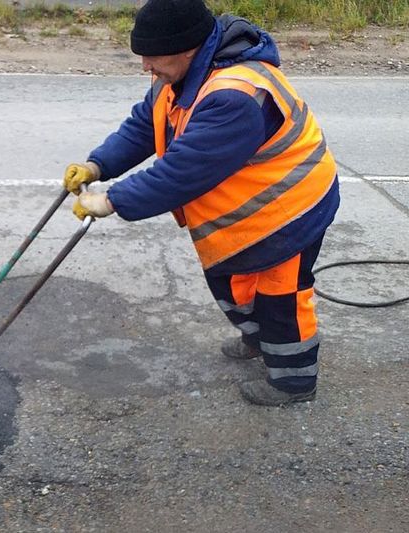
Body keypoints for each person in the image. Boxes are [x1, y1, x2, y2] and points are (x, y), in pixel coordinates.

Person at [64, 0, 340, 406]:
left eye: (151, 58)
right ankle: (259, 340)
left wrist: (111, 201)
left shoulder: (234, 97)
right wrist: (97, 164)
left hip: (291, 207)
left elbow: (181, 173)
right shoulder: (177, 76)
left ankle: (293, 382)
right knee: (231, 283)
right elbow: (146, 124)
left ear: (186, 48)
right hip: (246, 213)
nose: (146, 68)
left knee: (279, 297)